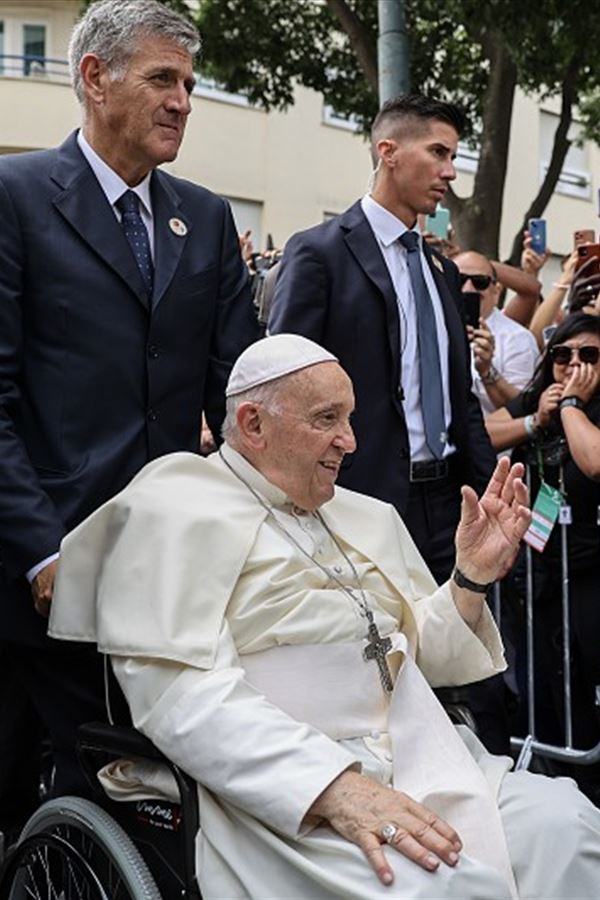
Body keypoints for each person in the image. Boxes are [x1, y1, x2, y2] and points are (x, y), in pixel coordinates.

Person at [49, 334, 600, 900]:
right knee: (446, 888)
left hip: (419, 754)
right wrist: (334, 787)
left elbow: (417, 658)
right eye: (327, 418)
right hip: (276, 788)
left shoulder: (363, 515)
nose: (351, 441)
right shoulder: (172, 509)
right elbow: (182, 698)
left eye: (350, 417)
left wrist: (470, 578)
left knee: (567, 828)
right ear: (254, 424)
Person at [0, 0, 258, 824]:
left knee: (139, 794)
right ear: (94, 78)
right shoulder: (16, 196)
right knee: (31, 795)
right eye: (161, 79)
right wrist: (39, 550)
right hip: (46, 566)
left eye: (188, 82)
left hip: (166, 568)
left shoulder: (208, 218)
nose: (183, 100)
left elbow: (237, 391)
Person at [269, 94, 496, 586]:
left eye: (453, 156)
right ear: (388, 152)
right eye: (439, 153)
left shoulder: (444, 271)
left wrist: (485, 496)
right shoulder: (319, 254)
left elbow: (463, 396)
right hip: (356, 506)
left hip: (451, 509)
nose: (451, 172)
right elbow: (286, 388)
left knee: (459, 660)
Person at [486, 314, 600, 798]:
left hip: (591, 572)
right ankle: (557, 776)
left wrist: (573, 405)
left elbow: (592, 462)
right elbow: (485, 433)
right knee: (543, 684)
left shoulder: (583, 409)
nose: (573, 365)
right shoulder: (540, 400)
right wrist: (534, 419)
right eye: (562, 356)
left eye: (589, 357)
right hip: (535, 571)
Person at [454, 251, 539, 417]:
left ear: (496, 291)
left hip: (487, 439)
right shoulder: (427, 326)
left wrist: (487, 372)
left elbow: (522, 410)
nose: (468, 289)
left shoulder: (518, 339)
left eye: (480, 282)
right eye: (459, 279)